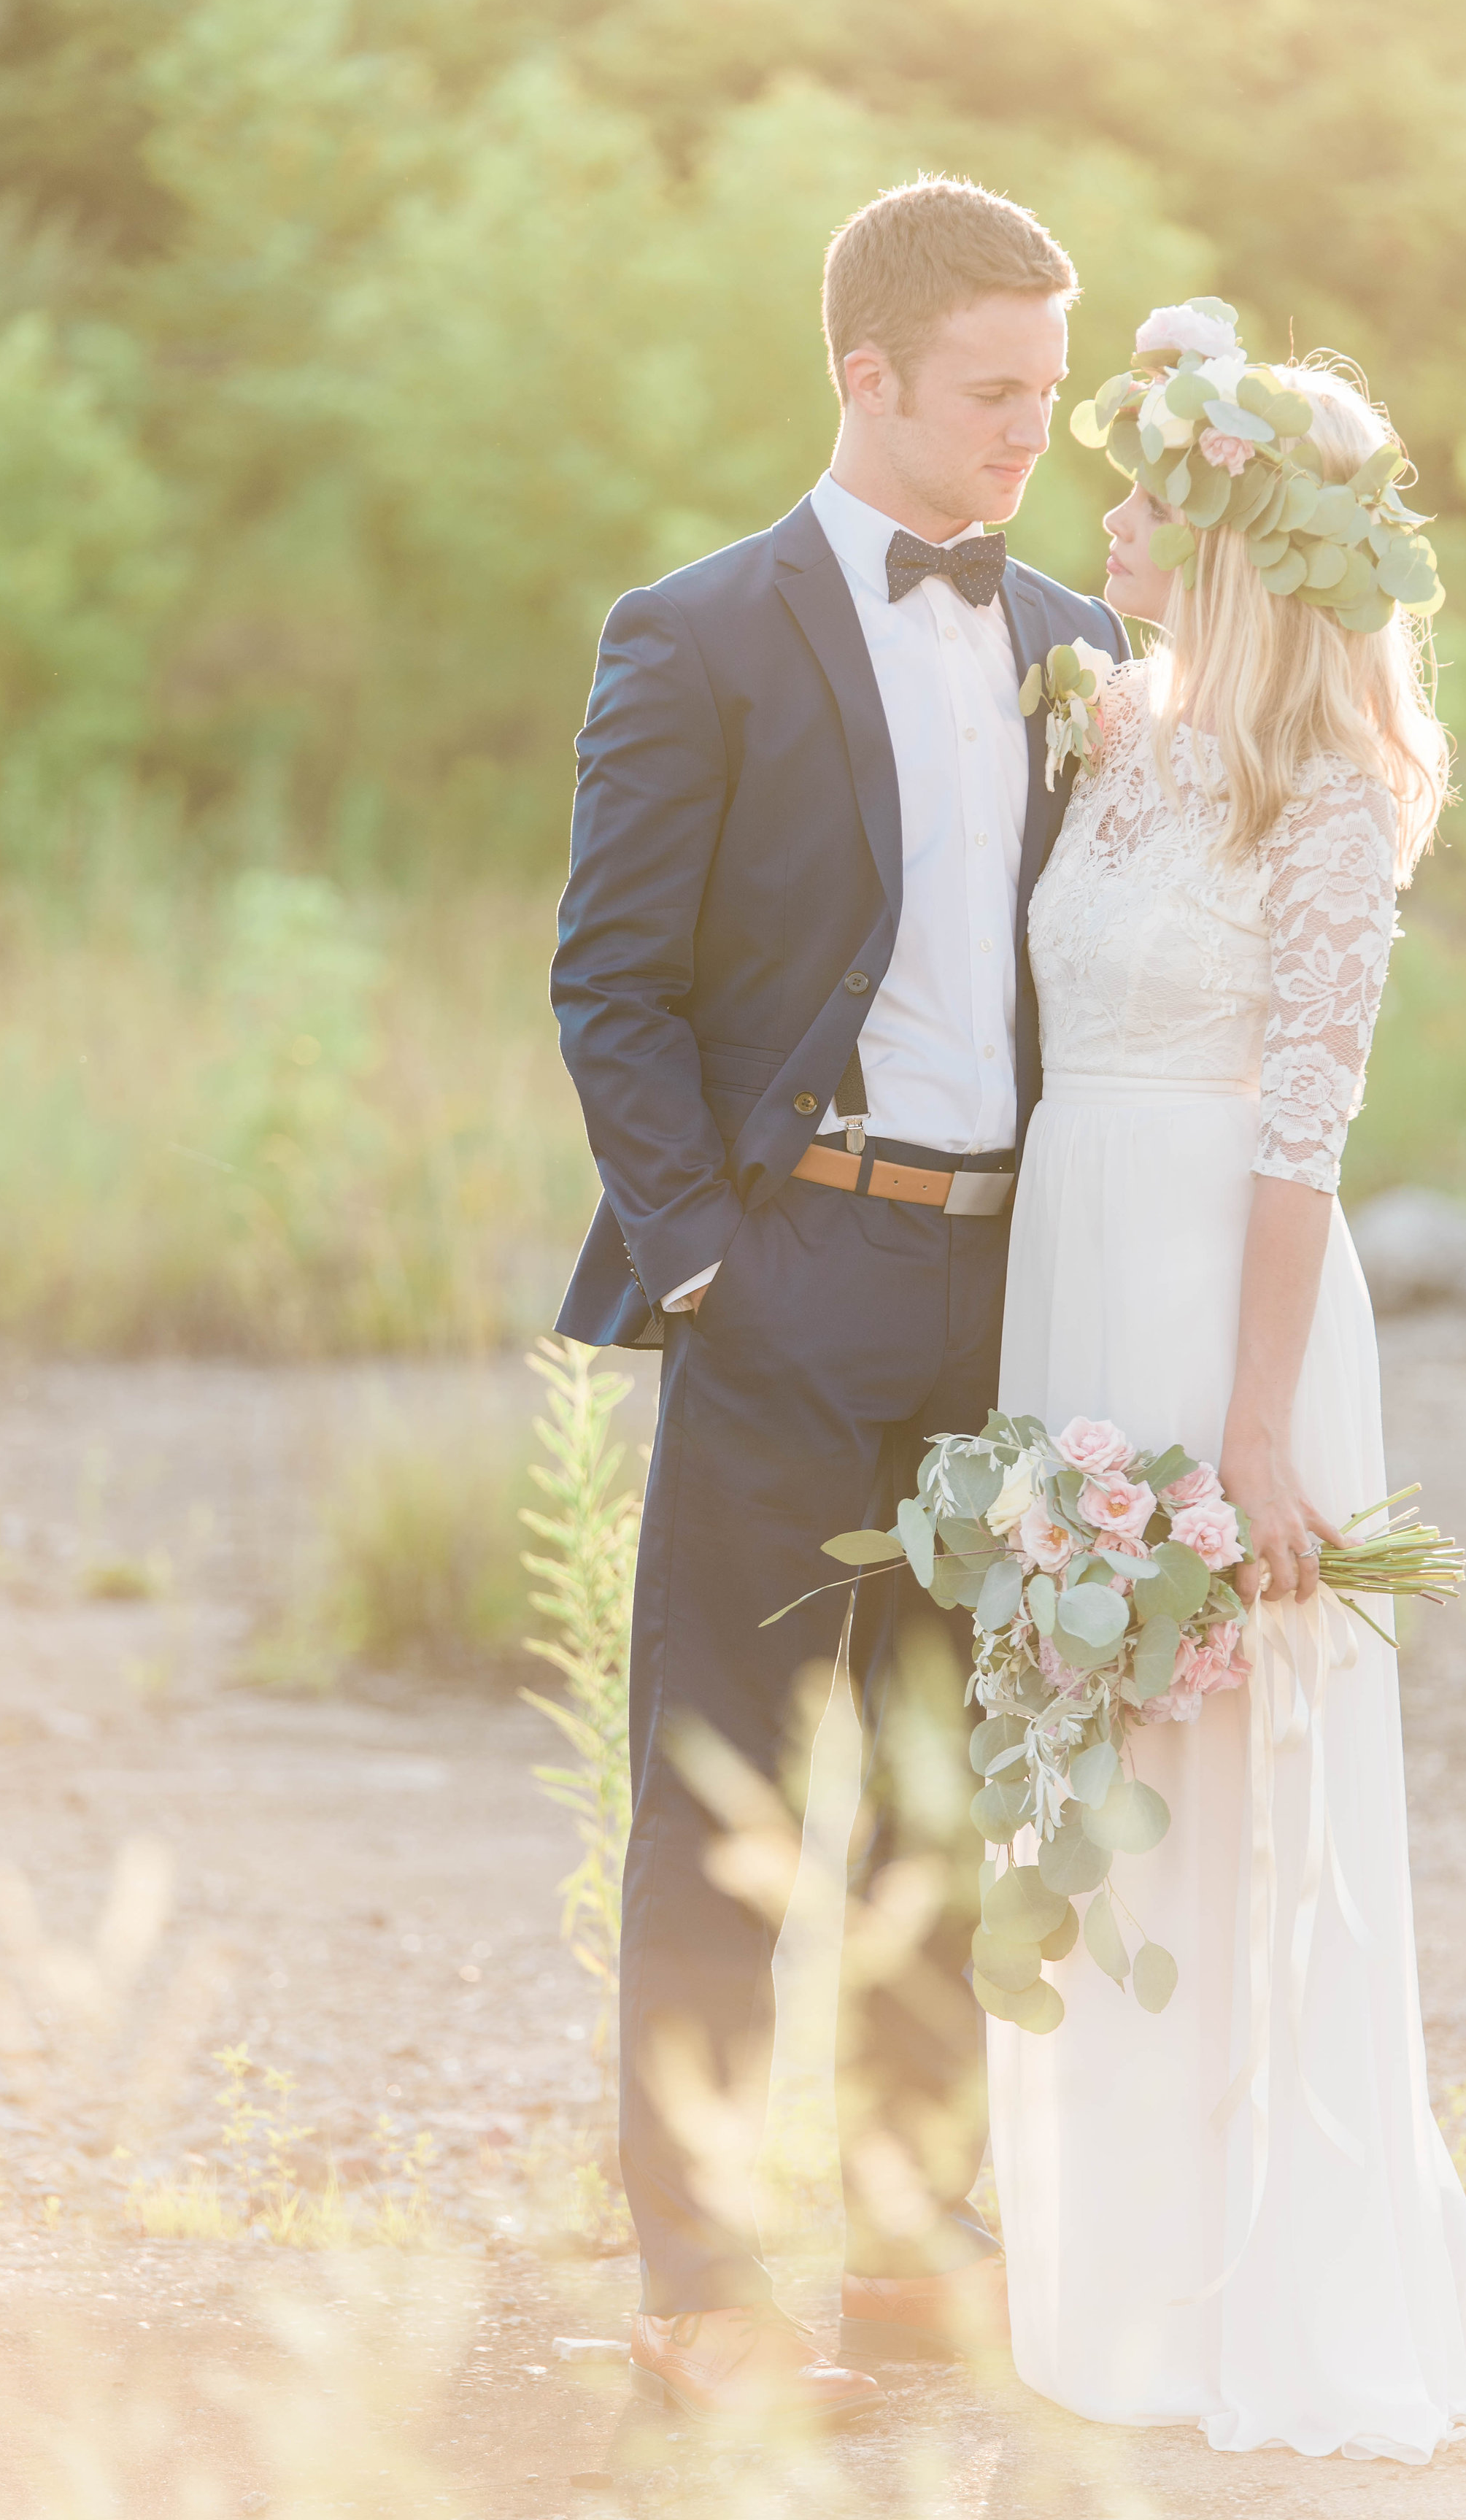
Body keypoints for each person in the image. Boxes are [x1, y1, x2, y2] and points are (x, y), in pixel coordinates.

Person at [552, 176, 1127, 2423]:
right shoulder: (690, 634)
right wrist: (705, 1260)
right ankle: (698, 2271)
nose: (1027, 439)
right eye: (992, 397)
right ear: (862, 375)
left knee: (940, 1800)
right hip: (791, 1269)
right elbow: (612, 983)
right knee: (723, 1803)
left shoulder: (1071, 630)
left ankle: (911, 2238)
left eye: (1049, 400)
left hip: (1015, 1295)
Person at [987, 312, 1466, 2459]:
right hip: (1068, 1272)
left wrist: (1261, 1430)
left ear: (1234, 532)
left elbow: (1307, 1125)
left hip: (1225, 1299)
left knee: (1234, 1778)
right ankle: (1102, 2270)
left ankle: (1253, 2283)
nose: (1099, 514)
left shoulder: (1332, 791)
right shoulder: (1111, 727)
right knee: (1088, 1761)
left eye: (1143, 487)